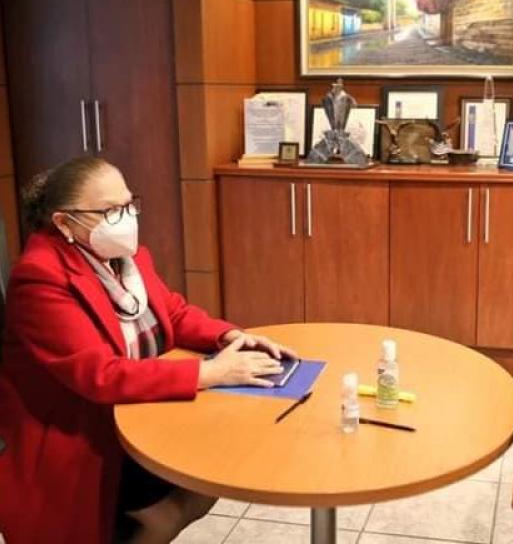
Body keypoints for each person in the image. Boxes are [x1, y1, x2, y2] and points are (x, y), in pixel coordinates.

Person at [0, 157, 296, 543]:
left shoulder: (129, 257)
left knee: (208, 481)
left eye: (128, 205)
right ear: (64, 223)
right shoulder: (40, 277)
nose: (125, 219)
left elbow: (172, 312)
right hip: (79, 431)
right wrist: (209, 373)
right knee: (165, 515)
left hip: (138, 410)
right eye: (109, 211)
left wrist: (229, 336)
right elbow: (99, 375)